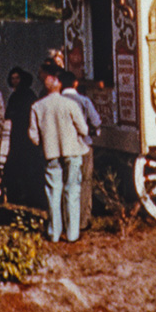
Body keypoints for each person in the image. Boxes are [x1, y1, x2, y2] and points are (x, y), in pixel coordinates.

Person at [29, 64, 89, 243]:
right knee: (72, 191)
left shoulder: (37, 106)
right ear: (60, 86)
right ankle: (72, 234)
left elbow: (33, 134)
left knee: (53, 193)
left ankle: (54, 233)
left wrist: (42, 143)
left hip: (51, 152)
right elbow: (84, 130)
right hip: (72, 150)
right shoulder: (70, 104)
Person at [60, 70, 102, 230]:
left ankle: (65, 220)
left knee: (65, 182)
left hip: (62, 147)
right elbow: (96, 121)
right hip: (82, 146)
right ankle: (82, 220)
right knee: (84, 182)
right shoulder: (83, 101)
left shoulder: (56, 101)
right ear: (75, 83)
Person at [1, 67, 43, 208]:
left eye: (17, 78)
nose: (15, 81)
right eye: (12, 78)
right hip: (17, 133)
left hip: (26, 133)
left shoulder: (27, 95)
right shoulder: (16, 95)